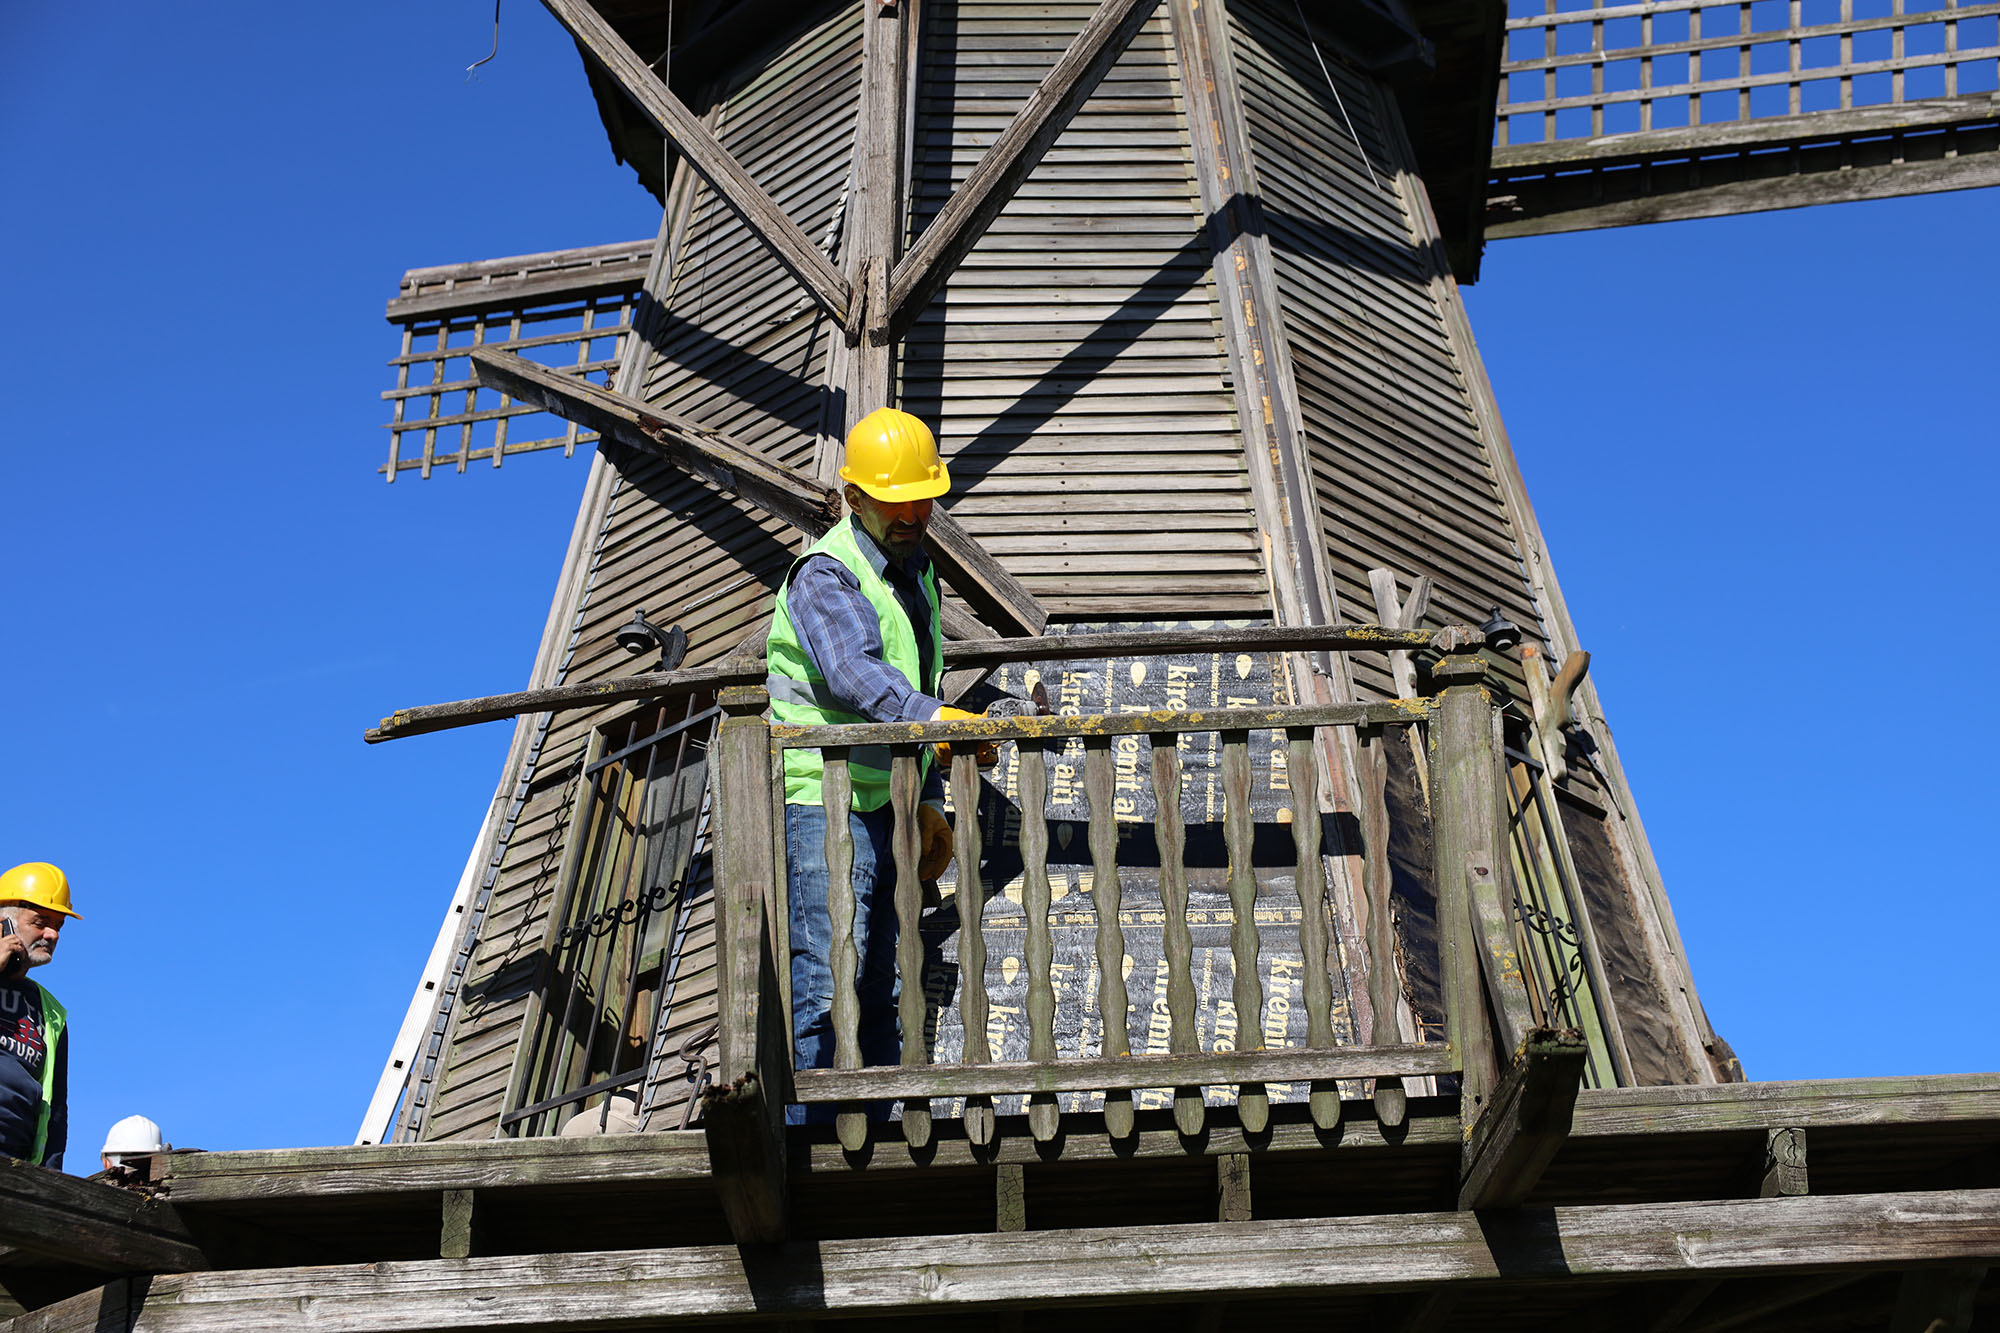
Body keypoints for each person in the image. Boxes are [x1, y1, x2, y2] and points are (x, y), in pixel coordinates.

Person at [766, 408, 982, 1098]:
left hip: (885, 803)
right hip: (821, 801)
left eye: (923, 498)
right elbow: (856, 675)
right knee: (830, 981)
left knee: (885, 976)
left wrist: (926, 799)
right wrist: (937, 723)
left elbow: (919, 683)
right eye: (897, 501)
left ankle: (878, 1127)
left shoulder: (916, 576)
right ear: (854, 497)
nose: (915, 514)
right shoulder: (825, 573)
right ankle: (813, 1148)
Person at [0, 862, 79, 1170]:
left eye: (59, 925)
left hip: (16, 1167)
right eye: (41, 921)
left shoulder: (50, 1010)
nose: (52, 934)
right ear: (4, 920)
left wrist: (50, 1182)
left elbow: (56, 1111)